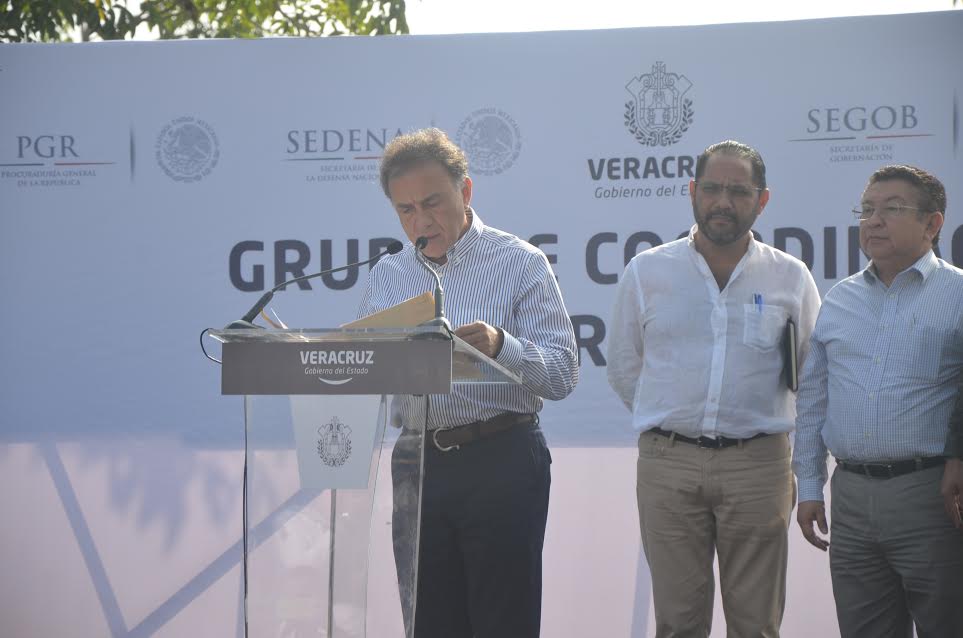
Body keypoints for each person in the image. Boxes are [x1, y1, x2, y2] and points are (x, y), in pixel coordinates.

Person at [357, 127, 579, 638]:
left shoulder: (520, 262)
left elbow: (563, 372)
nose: (420, 220)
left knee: (503, 623)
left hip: (499, 457)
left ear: (466, 191)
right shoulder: (388, 275)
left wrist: (503, 345)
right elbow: (368, 370)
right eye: (405, 210)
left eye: (432, 202)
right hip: (418, 464)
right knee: (429, 624)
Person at [606, 140, 820, 637]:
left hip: (759, 466)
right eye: (712, 189)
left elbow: (812, 376)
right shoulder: (647, 272)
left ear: (762, 200)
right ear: (691, 192)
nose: (723, 202)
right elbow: (623, 366)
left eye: (739, 191)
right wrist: (671, 419)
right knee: (678, 624)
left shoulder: (790, 277)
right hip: (668, 464)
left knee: (756, 626)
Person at [793, 164, 963, 637]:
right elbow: (813, 401)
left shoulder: (957, 294)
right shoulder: (839, 299)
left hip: (931, 494)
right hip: (850, 496)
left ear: (932, 223)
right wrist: (810, 487)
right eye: (866, 210)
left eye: (892, 209)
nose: (873, 221)